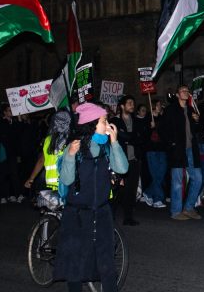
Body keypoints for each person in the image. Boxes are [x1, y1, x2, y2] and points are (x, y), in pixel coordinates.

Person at [53, 102, 128, 292]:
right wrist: (70, 156)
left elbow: (122, 168)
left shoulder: (105, 147)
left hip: (101, 212)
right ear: (92, 123)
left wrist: (114, 142)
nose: (107, 124)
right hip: (77, 215)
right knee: (75, 265)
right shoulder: (75, 148)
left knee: (106, 262)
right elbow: (67, 179)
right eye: (104, 120)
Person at [160, 85, 204, 221]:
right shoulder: (170, 110)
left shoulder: (191, 109)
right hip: (177, 150)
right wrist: (171, 144)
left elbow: (197, 130)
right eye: (183, 91)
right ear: (177, 94)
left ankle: (189, 207)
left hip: (191, 149)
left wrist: (197, 121)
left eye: (187, 91)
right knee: (178, 181)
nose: (186, 92)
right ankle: (176, 211)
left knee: (198, 178)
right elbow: (162, 129)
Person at [112, 95, 146, 226]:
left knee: (131, 189)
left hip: (134, 159)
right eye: (129, 103)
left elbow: (140, 138)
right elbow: (119, 136)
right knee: (118, 189)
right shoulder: (115, 121)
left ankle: (128, 216)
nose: (132, 105)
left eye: (133, 103)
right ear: (122, 106)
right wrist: (129, 137)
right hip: (121, 160)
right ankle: (111, 215)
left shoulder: (136, 121)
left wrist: (127, 137)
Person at [23, 109, 74, 196]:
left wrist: (31, 178)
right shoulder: (71, 140)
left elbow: (41, 160)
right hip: (67, 181)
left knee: (54, 207)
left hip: (52, 182)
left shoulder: (48, 140)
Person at [142, 100, 167, 208]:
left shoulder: (163, 118)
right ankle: (158, 199)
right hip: (151, 149)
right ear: (153, 106)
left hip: (162, 149)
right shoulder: (147, 118)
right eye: (158, 105)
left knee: (160, 174)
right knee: (155, 174)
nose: (160, 106)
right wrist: (149, 127)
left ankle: (148, 192)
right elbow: (143, 135)